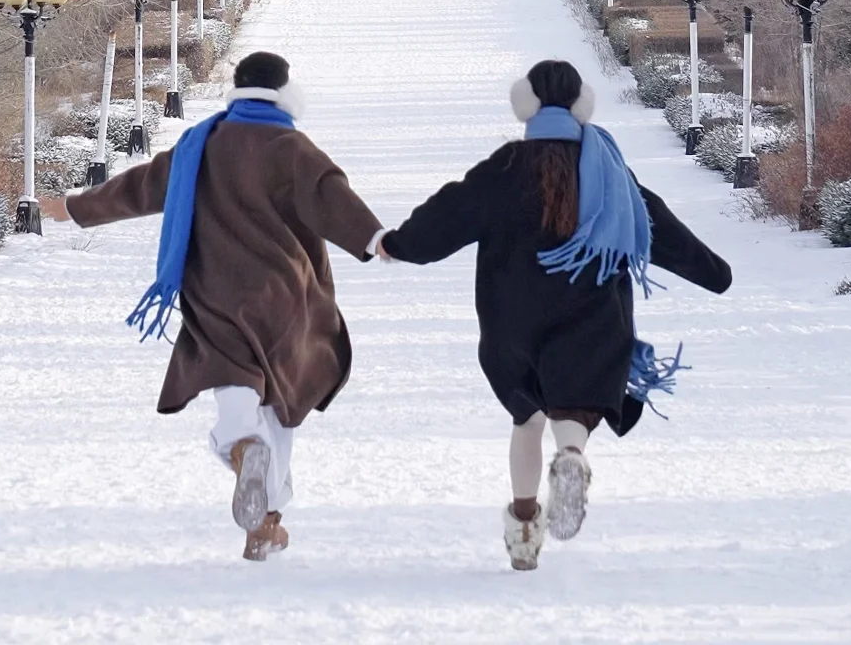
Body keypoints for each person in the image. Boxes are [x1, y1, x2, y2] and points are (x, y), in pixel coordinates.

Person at [378, 58, 732, 572]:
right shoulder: (609, 171)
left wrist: (398, 244)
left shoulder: (505, 168)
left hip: (512, 322)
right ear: (581, 104)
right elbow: (656, 225)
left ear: (525, 104)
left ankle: (524, 530)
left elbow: (451, 212)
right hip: (593, 319)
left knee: (527, 418)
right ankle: (571, 456)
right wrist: (714, 272)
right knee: (574, 407)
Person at [43, 51, 384, 562]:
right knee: (281, 403)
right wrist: (376, 237)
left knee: (236, 387)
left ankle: (244, 452)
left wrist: (75, 207)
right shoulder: (293, 148)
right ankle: (265, 522)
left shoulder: (200, 145)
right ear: (284, 93)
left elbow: (143, 186)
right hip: (285, 295)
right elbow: (330, 196)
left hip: (217, 292)